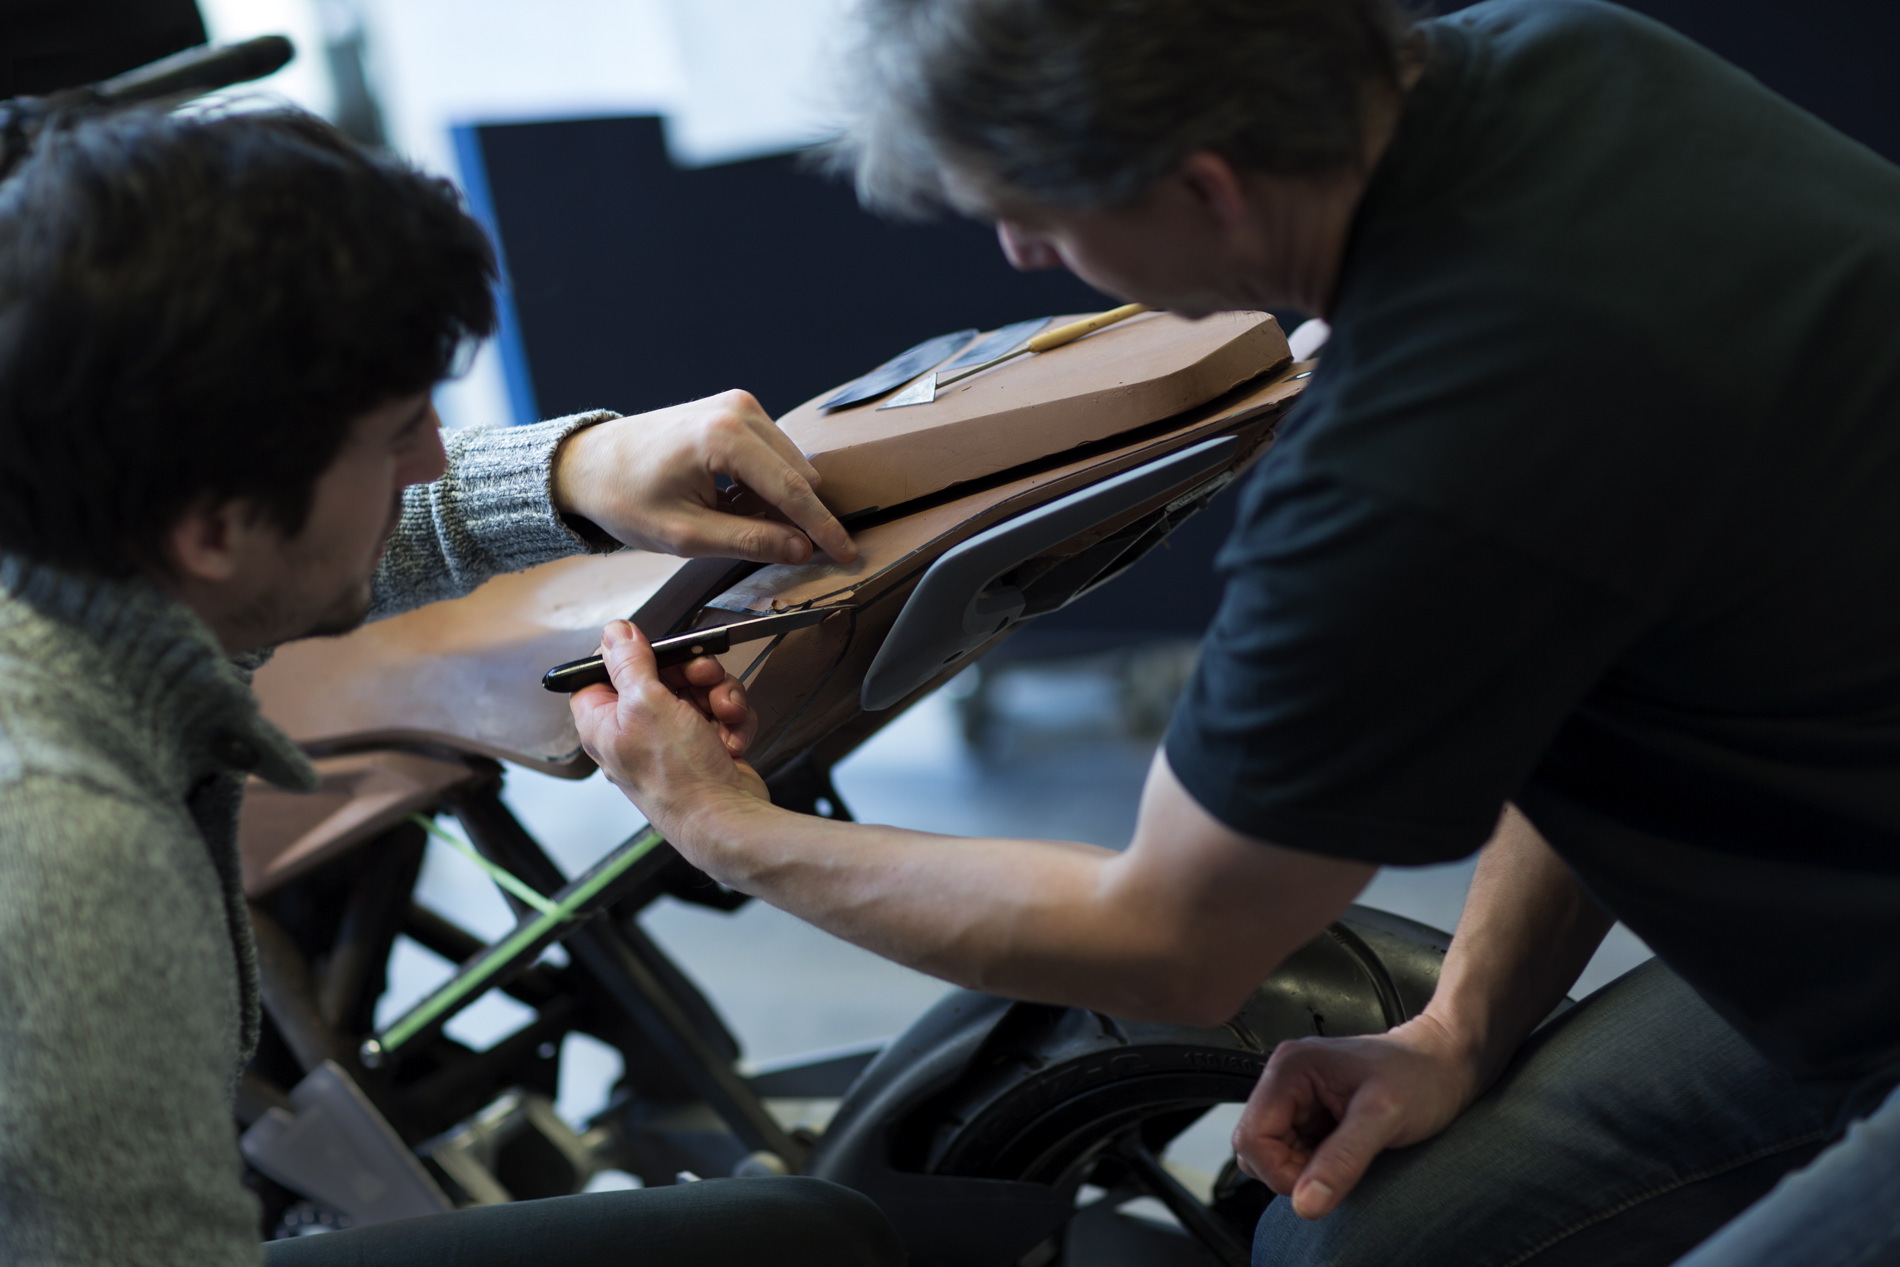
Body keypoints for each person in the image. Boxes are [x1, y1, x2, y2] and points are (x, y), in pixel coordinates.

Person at [568, 0, 1900, 1264]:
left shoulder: (1412, 452)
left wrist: (725, 827)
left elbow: (1172, 939)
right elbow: (1608, 636)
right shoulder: (1568, 56)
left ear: (1204, 188)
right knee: (1363, 1239)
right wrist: (1461, 1025)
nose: (1023, 254)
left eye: (1040, 217)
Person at [0, 106, 902, 1267]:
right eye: (394, 435)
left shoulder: (84, 545)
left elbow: (326, 532)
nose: (432, 459)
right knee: (804, 1244)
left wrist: (574, 472)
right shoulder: (70, 854)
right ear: (212, 529)